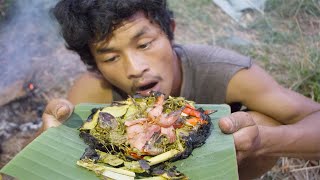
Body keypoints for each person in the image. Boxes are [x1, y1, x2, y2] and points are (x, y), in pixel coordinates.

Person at [37, 0, 320, 179]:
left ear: (169, 30)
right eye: (110, 57)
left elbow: (314, 119)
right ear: (96, 65)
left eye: (144, 44)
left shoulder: (225, 71)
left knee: (262, 122)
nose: (134, 68)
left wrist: (264, 142)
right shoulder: (93, 92)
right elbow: (35, 167)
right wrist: (50, 140)